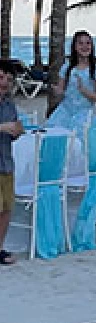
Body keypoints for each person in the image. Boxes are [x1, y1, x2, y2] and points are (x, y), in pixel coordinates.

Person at [47, 31, 96, 139]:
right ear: (74, 47)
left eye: (88, 43)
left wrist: (84, 91)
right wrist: (58, 91)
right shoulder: (66, 67)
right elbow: (61, 92)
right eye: (81, 43)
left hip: (84, 114)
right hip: (64, 112)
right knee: (53, 136)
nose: (85, 46)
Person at [0, 60, 24, 266]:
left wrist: (16, 130)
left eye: (8, 78)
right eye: (1, 77)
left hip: (6, 162)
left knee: (6, 209)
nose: (5, 82)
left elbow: (14, 129)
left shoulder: (9, 104)